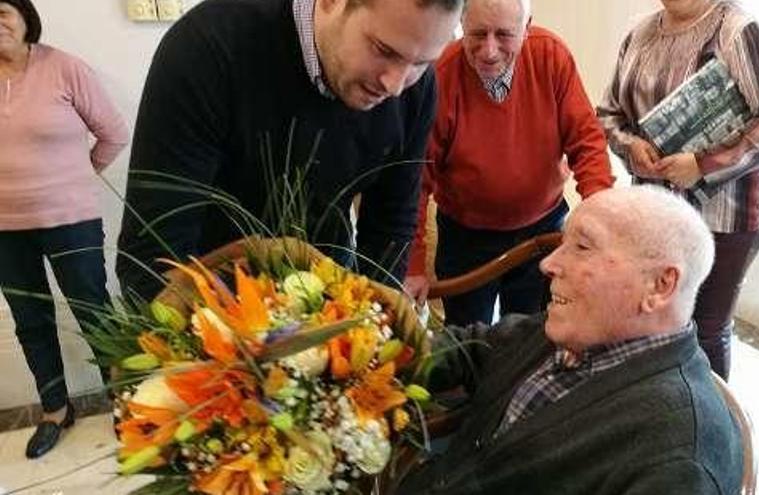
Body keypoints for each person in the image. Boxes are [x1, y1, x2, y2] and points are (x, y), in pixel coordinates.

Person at [398, 185, 743, 494]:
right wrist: (374, 350)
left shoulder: (678, 456)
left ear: (659, 285)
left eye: (581, 246)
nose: (548, 263)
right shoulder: (580, 330)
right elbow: (473, 349)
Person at [116, 0, 463, 300]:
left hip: (329, 294)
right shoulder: (207, 49)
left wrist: (369, 326)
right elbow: (153, 251)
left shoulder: (417, 90)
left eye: (420, 63)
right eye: (384, 50)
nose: (396, 85)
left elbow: (391, 224)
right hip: (211, 302)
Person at [597, 0, 759, 380]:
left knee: (706, 328)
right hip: (659, 209)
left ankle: (713, 429)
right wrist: (630, 147)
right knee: (659, 319)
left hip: (730, 212)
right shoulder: (638, 34)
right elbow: (609, 113)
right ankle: (667, 413)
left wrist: (703, 165)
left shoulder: (737, 29)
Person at [403, 0, 613, 326]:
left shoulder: (551, 55)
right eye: (478, 34)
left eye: (504, 35)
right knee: (468, 343)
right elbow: (416, 180)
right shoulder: (442, 75)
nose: (489, 50)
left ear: (526, 30)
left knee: (534, 337)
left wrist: (601, 220)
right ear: (461, 26)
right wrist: (413, 265)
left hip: (544, 230)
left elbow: (587, 141)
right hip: (467, 239)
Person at [0, 0, 128, 458]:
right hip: (4, 229)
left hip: (71, 220)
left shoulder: (64, 68)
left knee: (94, 311)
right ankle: (55, 409)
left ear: (22, 16)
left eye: (2, 11)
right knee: (30, 321)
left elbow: (113, 132)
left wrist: (76, 179)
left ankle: (125, 402)